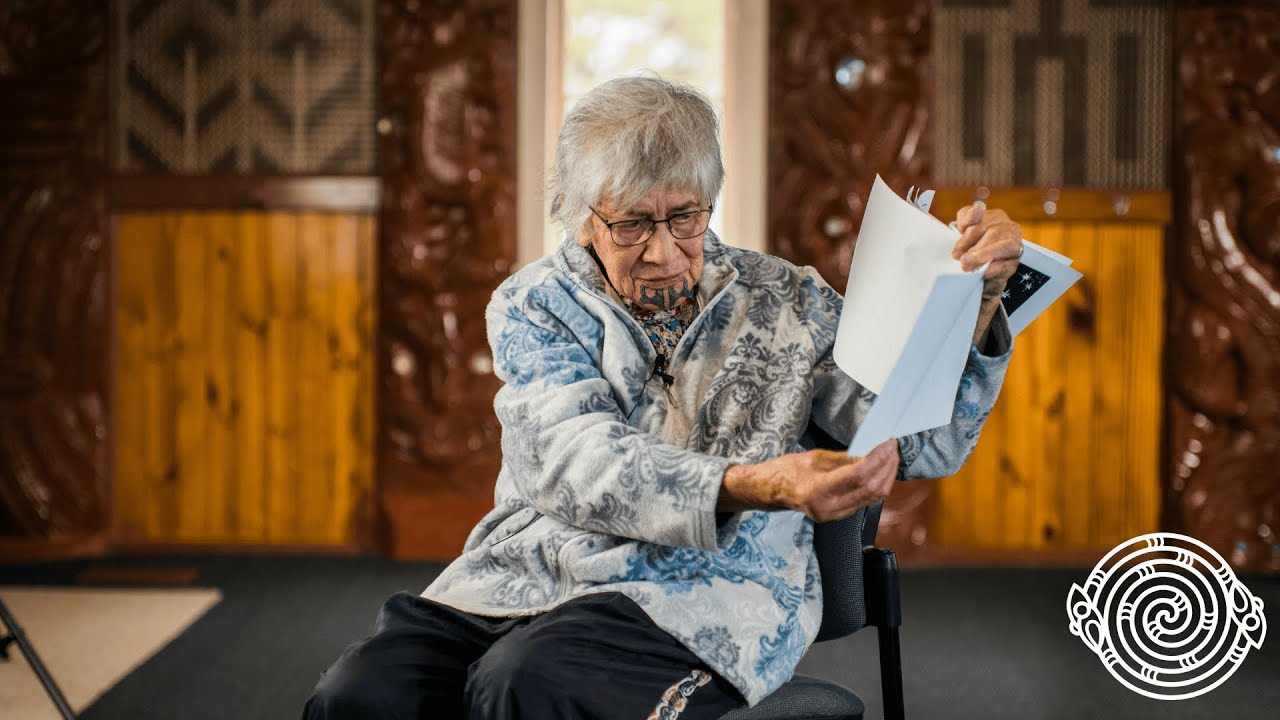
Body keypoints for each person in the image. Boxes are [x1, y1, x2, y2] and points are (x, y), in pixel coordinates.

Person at [305, 75, 1022, 719]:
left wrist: (976, 309)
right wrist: (752, 482)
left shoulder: (789, 299)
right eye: (631, 225)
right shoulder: (535, 304)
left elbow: (927, 442)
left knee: (528, 685)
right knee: (362, 694)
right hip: (526, 579)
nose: (663, 251)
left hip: (702, 595)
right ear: (580, 215)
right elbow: (577, 462)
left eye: (685, 217)